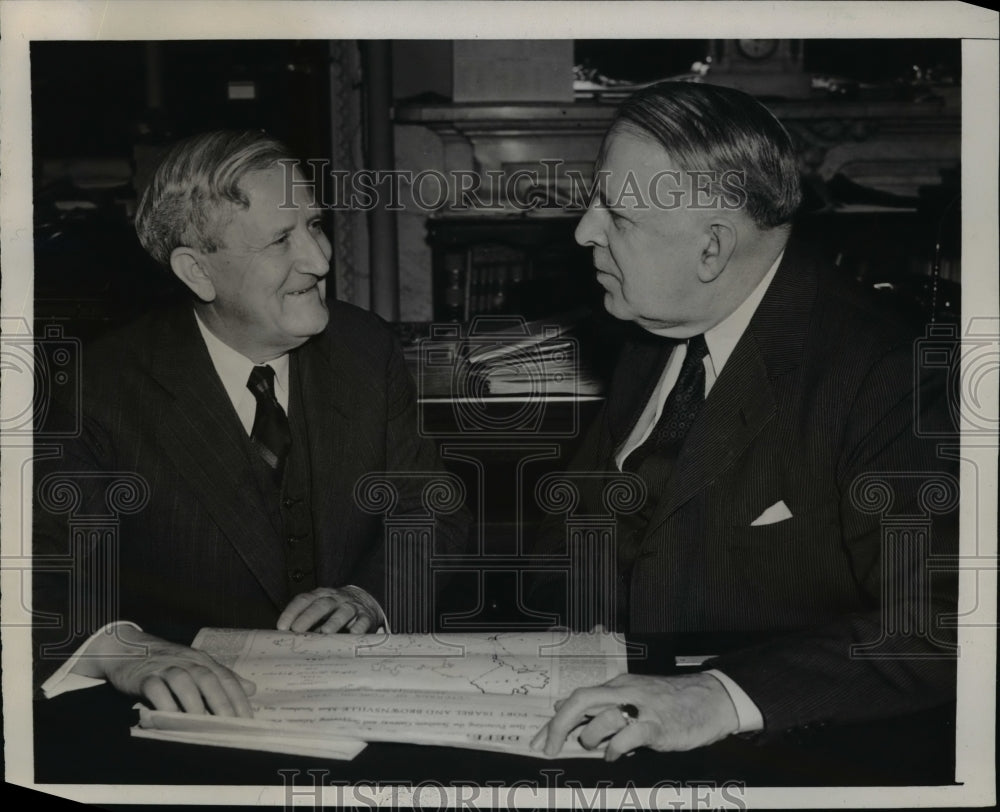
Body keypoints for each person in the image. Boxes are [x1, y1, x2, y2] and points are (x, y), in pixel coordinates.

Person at [529, 82, 957, 759]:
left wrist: (716, 696)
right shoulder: (651, 331)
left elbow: (944, 623)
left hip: (790, 750)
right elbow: (580, 527)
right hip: (606, 715)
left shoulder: (888, 374)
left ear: (712, 250)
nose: (584, 231)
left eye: (618, 215)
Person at [33, 130, 469, 717]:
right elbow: (42, 575)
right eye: (280, 240)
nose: (320, 259)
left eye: (314, 225)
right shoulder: (97, 389)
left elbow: (430, 507)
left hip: (352, 700)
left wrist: (369, 596)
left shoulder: (365, 348)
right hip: (183, 722)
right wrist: (125, 651)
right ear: (198, 271)